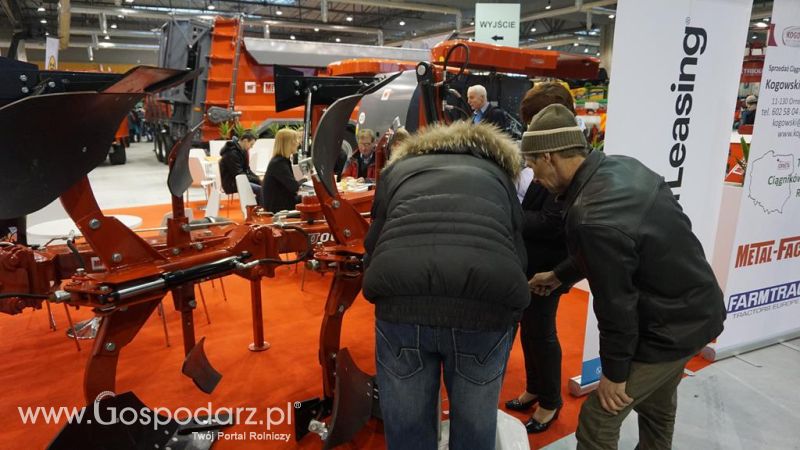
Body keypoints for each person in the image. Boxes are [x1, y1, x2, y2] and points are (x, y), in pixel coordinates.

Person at [524, 104, 726, 450]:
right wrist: (560, 275)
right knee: (658, 409)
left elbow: (616, 303)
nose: (534, 177)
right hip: (700, 311)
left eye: (533, 166)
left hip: (668, 329)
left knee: (598, 419)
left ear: (550, 157)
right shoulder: (623, 167)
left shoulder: (590, 216)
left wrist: (615, 374)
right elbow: (624, 249)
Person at [363, 120, 530, 450]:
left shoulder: (398, 172)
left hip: (402, 308)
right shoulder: (497, 175)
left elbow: (374, 241)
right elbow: (517, 252)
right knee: (474, 427)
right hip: (484, 312)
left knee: (407, 428)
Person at [504, 82, 576, 434]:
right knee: (531, 330)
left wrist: (509, 215)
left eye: (533, 120)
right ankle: (536, 388)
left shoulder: (565, 162)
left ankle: (550, 400)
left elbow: (553, 221)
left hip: (551, 264)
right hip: (533, 262)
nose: (528, 129)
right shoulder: (549, 156)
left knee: (542, 332)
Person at [261, 128, 303, 213]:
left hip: (280, 202)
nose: (298, 142)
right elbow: (294, 187)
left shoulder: (279, 161)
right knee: (313, 199)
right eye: (295, 140)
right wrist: (304, 180)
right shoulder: (280, 163)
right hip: (280, 206)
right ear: (288, 143)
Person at [219, 131, 261, 201]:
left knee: (263, 186)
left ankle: (256, 207)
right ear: (245, 141)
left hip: (239, 180)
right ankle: (254, 208)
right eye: (251, 144)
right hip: (232, 183)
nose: (251, 147)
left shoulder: (241, 151)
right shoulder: (231, 153)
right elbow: (239, 175)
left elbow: (247, 170)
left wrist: (258, 179)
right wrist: (257, 179)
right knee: (261, 190)